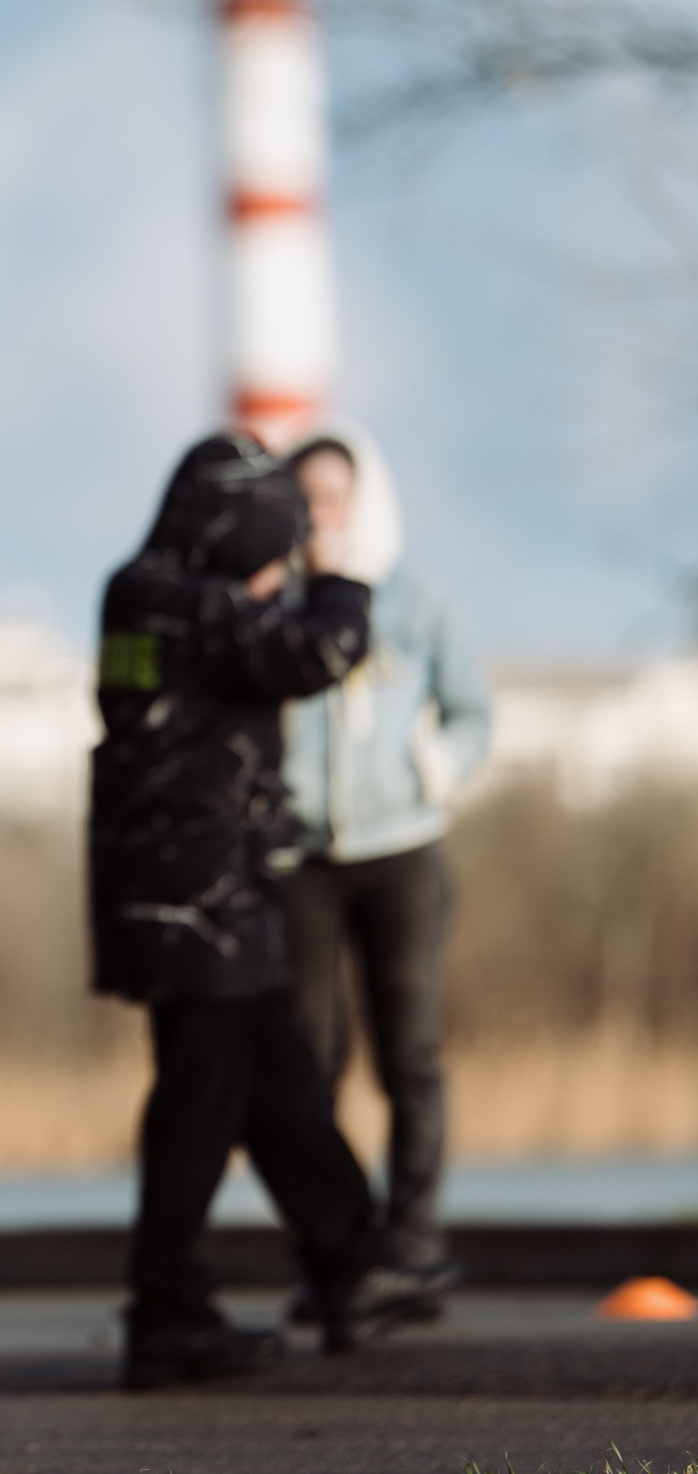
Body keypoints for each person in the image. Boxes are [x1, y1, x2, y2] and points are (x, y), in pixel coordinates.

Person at [90, 432, 424, 1390]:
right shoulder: (180, 601)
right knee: (200, 1104)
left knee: (282, 1090)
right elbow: (318, 652)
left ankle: (352, 1266)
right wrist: (341, 576)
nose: (281, 562)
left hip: (204, 898)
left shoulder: (144, 594)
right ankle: (166, 1309)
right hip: (198, 904)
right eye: (274, 539)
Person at [280, 427, 491, 1312]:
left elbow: (472, 712)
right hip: (297, 859)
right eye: (304, 498)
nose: (321, 513)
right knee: (308, 1062)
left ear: (364, 501)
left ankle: (413, 1242)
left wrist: (434, 768)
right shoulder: (273, 599)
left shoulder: (418, 599)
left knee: (410, 1053)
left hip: (402, 850)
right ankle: (339, 1252)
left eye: (335, 496)